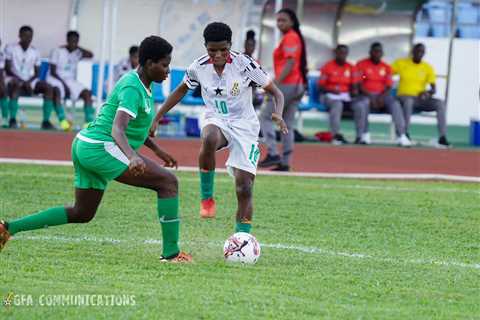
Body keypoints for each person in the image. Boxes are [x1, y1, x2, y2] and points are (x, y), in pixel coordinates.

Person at [0, 36, 192, 263]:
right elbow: (118, 129)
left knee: (82, 213)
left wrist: (157, 150)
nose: (168, 70)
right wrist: (132, 157)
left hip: (86, 144)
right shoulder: (133, 87)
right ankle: (171, 254)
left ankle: (7, 228)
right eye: (164, 64)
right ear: (149, 63)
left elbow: (133, 129)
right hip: (101, 147)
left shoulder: (139, 84)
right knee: (168, 183)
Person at [150, 22, 286, 234]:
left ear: (230, 45)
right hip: (217, 118)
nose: (218, 54)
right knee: (209, 136)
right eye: (212, 50)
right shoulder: (198, 66)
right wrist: (157, 117)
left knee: (244, 188)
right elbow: (180, 91)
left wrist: (278, 112)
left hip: (245, 125)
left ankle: (242, 239)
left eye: (223, 49)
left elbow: (276, 92)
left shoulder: (246, 65)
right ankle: (207, 199)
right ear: (205, 47)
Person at [258, 8, 307, 171]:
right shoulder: (292, 37)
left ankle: (272, 153)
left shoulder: (291, 37)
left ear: (292, 22)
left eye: (283, 20)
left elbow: (290, 63)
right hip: (296, 85)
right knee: (287, 124)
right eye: (278, 20)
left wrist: (273, 85)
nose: (280, 23)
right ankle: (285, 162)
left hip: (288, 84)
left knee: (264, 116)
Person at [353, 42, 411, 147]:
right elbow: (359, 84)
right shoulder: (361, 64)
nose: (377, 54)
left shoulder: (386, 67)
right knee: (363, 104)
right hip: (366, 95)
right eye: (375, 51)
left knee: (395, 104)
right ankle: (364, 134)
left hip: (382, 96)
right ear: (370, 52)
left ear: (382, 53)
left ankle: (402, 135)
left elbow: (388, 86)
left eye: (379, 51)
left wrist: (381, 97)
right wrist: (370, 97)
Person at [392, 43, 450, 148]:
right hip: (404, 97)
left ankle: (442, 137)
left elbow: (433, 88)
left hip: (420, 99)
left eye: (422, 51)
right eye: (417, 51)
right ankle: (404, 134)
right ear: (412, 52)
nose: (419, 53)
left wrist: (427, 93)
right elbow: (387, 73)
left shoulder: (427, 67)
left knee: (440, 103)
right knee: (408, 102)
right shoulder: (401, 63)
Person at [4, 25, 58, 129]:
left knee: (48, 88)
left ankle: (45, 121)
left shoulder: (35, 51)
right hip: (13, 78)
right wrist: (22, 81)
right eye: (25, 36)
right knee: (15, 85)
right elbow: (7, 69)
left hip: (29, 80)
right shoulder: (10, 48)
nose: (27, 39)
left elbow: (37, 73)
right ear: (19, 35)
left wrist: (28, 81)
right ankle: (12, 120)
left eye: (30, 37)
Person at [317, 44, 367, 145]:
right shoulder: (328, 66)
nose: (342, 55)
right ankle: (335, 136)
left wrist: (354, 91)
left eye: (344, 53)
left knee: (360, 106)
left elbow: (355, 85)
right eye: (340, 53)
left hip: (346, 97)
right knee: (337, 104)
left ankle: (360, 137)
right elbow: (321, 87)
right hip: (329, 96)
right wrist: (332, 90)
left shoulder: (351, 67)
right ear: (335, 53)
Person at [47, 30, 95, 128]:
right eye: (72, 41)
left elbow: (91, 55)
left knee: (87, 93)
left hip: (70, 80)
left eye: (76, 41)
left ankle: (88, 123)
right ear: (67, 40)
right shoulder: (57, 51)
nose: (73, 43)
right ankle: (63, 122)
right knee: (57, 90)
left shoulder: (78, 52)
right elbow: (52, 71)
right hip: (55, 78)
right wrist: (64, 85)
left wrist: (77, 47)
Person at [243, 29, 263, 109]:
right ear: (245, 45)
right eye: (249, 45)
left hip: (252, 94)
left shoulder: (256, 62)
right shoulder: (239, 60)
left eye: (253, 45)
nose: (251, 48)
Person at [0, 38, 7, 127]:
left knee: (3, 90)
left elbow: (1, 72)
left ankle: (5, 118)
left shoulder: (1, 55)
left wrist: (2, 84)